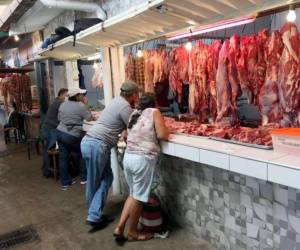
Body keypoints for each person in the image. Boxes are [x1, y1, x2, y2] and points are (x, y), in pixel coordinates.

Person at [81, 81, 139, 228]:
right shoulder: (125, 106)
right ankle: (93, 215)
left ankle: (94, 213)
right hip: (97, 145)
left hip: (93, 143)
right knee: (95, 180)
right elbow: (134, 126)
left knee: (107, 178)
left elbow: (124, 125)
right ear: (132, 95)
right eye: (136, 94)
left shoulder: (116, 101)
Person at [113, 93, 169, 241]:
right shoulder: (154, 112)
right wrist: (168, 130)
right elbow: (163, 135)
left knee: (133, 194)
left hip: (128, 158)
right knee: (139, 198)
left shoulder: (134, 114)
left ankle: (119, 227)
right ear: (154, 103)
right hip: (142, 160)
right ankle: (132, 233)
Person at [56, 87, 92, 190]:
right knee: (82, 153)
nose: (83, 96)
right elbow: (89, 117)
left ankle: (65, 183)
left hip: (60, 132)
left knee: (63, 157)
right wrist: (86, 104)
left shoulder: (63, 104)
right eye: (81, 95)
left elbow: (59, 118)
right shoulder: (80, 106)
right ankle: (84, 178)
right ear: (76, 96)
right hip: (71, 134)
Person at [42, 88, 68, 178]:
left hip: (47, 128)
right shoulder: (59, 103)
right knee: (50, 150)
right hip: (51, 129)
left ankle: (47, 171)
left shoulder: (56, 102)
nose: (66, 98)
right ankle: (48, 172)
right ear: (61, 95)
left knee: (47, 150)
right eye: (66, 95)